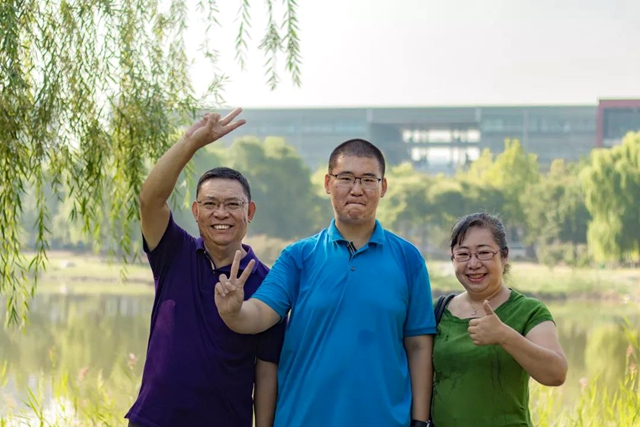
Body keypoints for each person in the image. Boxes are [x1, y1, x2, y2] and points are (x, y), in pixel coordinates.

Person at [214, 138, 436, 427]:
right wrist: (233, 311)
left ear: (383, 187)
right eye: (346, 178)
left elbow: (419, 346)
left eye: (368, 180)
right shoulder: (298, 256)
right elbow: (259, 314)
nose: (357, 189)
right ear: (328, 183)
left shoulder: (408, 258)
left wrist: (420, 421)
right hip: (302, 418)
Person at [125, 108, 286, 427]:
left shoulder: (269, 284)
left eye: (232, 204)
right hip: (154, 420)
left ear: (250, 211)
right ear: (196, 211)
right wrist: (191, 142)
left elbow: (266, 370)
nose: (220, 213)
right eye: (210, 204)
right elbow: (149, 201)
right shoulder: (174, 252)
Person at [432, 212, 568, 426]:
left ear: (504, 256)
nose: (473, 264)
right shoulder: (437, 311)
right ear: (453, 258)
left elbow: (556, 374)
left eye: (484, 253)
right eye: (463, 254)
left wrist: (505, 336)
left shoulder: (528, 311)